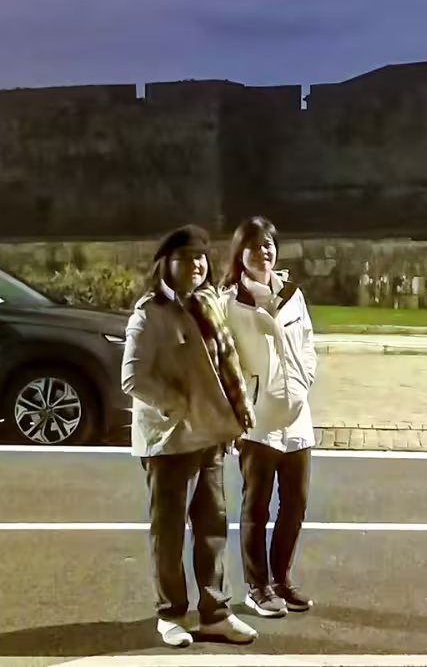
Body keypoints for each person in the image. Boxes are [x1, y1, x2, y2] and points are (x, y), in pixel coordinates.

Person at [121, 224, 259, 648]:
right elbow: (132, 378)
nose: (197, 264)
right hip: (169, 442)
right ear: (167, 264)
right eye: (186, 258)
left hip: (208, 437)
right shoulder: (150, 314)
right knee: (169, 531)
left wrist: (226, 414)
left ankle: (216, 612)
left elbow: (224, 366)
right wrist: (177, 404)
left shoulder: (209, 305)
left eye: (201, 257)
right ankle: (171, 614)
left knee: (213, 526)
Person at [221, 216, 319, 618]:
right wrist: (242, 403)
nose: (265, 250)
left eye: (270, 244)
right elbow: (223, 361)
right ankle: (256, 587)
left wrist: (304, 379)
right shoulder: (230, 302)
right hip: (257, 421)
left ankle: (281, 579)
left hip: (297, 416)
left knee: (295, 504)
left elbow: (308, 343)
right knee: (256, 507)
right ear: (240, 253)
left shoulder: (292, 294)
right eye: (256, 244)